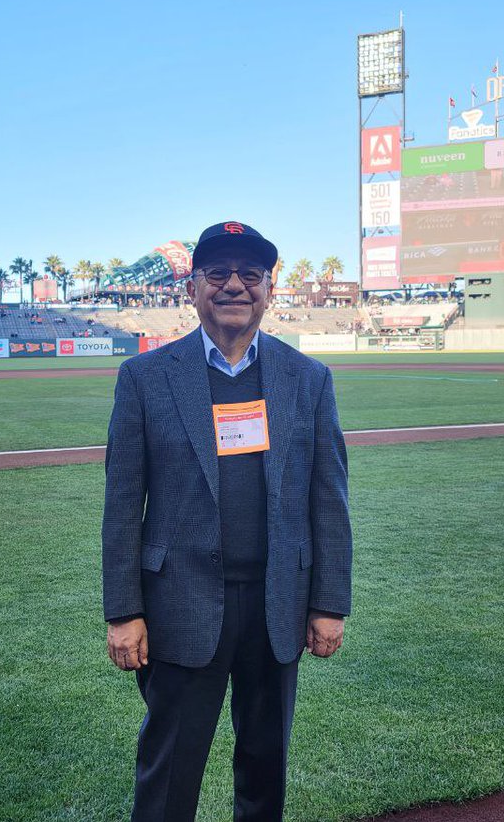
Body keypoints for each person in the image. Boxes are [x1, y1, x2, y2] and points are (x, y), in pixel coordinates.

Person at [102, 221, 352, 821]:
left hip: (277, 604)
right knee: (169, 771)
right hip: (179, 604)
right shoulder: (145, 377)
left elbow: (329, 498)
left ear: (269, 288)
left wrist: (329, 603)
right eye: (218, 274)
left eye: (250, 275)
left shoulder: (308, 378)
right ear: (193, 287)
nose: (234, 286)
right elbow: (121, 503)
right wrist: (123, 611)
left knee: (266, 767)